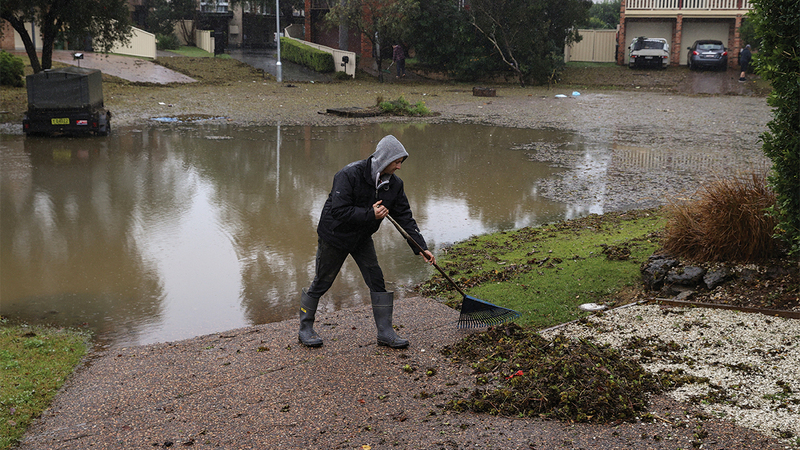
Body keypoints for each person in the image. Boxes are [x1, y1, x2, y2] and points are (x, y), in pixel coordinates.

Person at [298, 135, 435, 349]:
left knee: (376, 280)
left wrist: (421, 248)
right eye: (397, 162)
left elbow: (405, 217)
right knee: (323, 281)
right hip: (335, 235)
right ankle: (305, 329)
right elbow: (338, 210)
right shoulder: (348, 174)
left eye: (401, 162)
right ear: (384, 158)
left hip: (361, 237)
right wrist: (370, 214)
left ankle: (385, 333)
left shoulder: (394, 185)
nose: (399, 167)